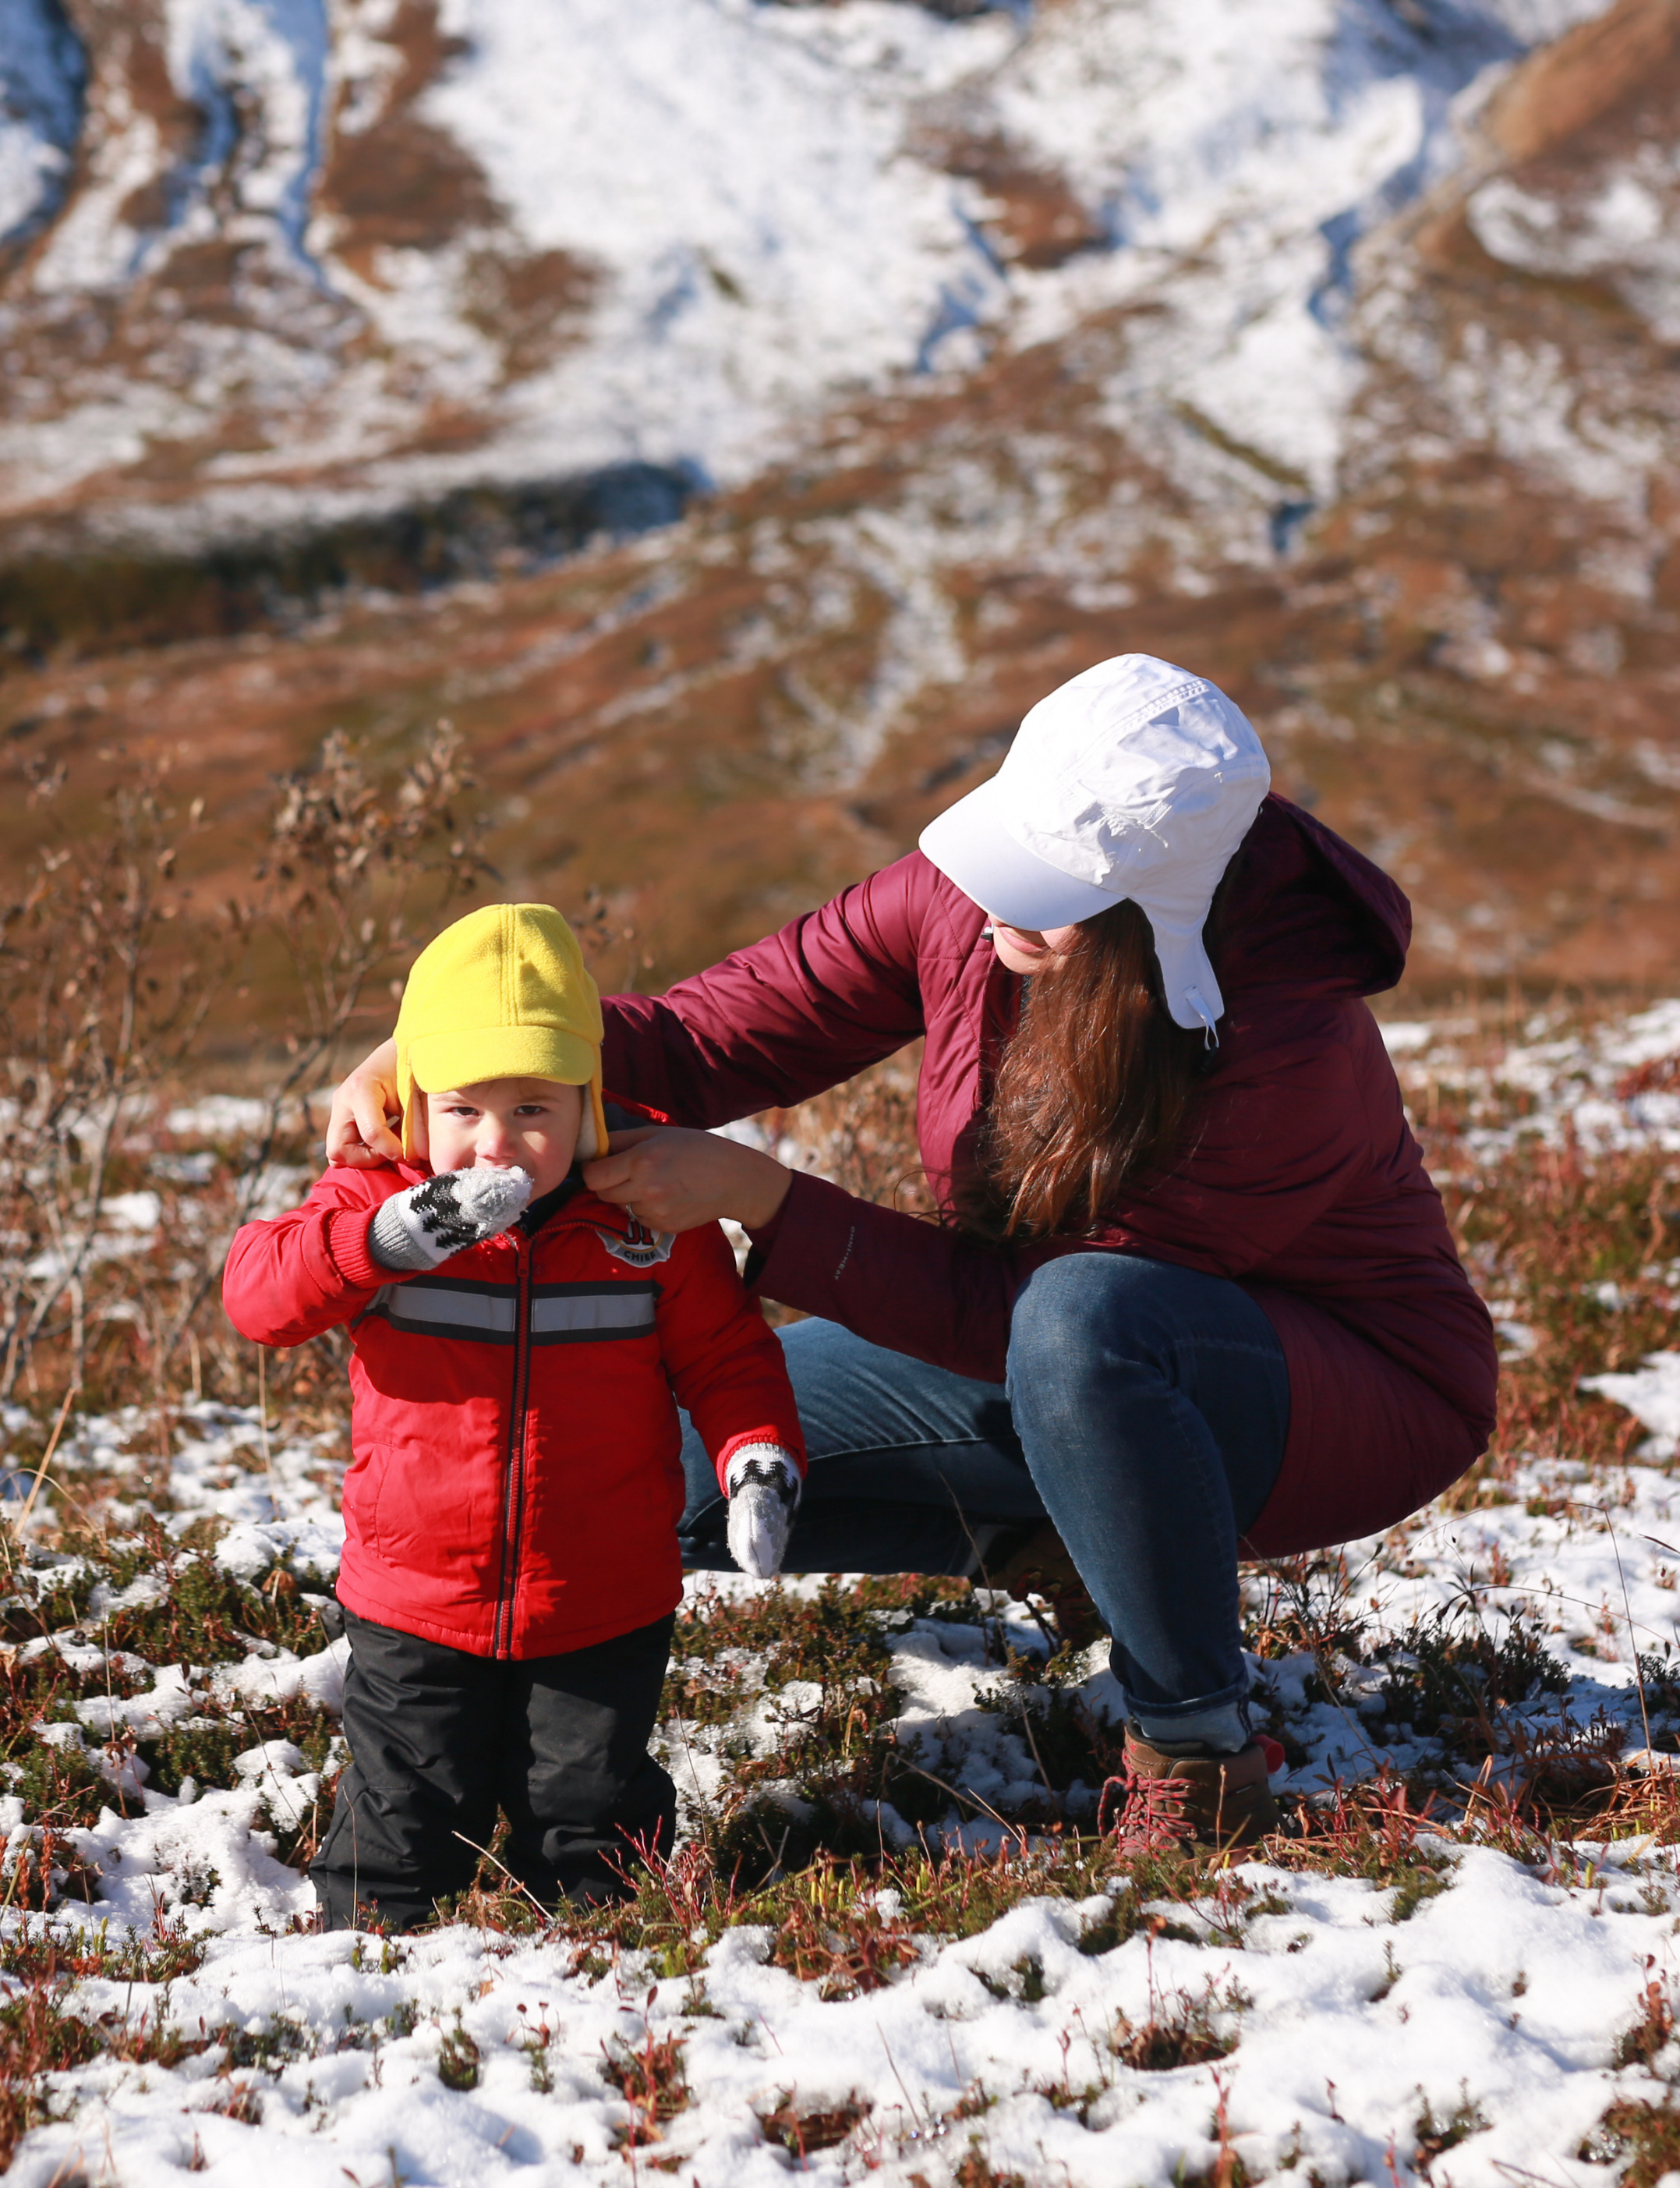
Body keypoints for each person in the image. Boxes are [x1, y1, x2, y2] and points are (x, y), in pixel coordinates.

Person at [326, 657, 1497, 1850]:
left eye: (1048, 886)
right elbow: (707, 1035)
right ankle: (1086, 1536)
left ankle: (1195, 1746)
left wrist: (766, 1200)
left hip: (1336, 1390)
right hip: (1058, 1348)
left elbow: (1028, 1319)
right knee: (661, 1477)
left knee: (1085, 1322)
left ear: (1165, 913)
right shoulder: (977, 896)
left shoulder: (1285, 1041)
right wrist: (448, 1054)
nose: (997, 902)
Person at [225, 901, 805, 1927]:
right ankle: (368, 1987)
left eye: (534, 1111)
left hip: (603, 1597)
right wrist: (390, 1241)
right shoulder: (381, 1198)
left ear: (587, 1103)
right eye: (462, 1112)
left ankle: (596, 1983)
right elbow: (259, 1296)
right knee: (401, 1821)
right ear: (412, 1103)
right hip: (415, 1600)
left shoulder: (650, 1209)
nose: (497, 1144)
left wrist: (757, 1457)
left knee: (590, 1822)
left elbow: (726, 1355)